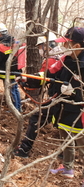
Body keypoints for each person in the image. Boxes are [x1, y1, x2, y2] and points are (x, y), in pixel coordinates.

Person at [13, 31, 64, 158]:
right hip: (63, 97)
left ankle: (24, 149)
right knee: (63, 125)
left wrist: (26, 80)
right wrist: (27, 81)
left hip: (58, 97)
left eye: (41, 47)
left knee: (36, 119)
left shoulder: (52, 59)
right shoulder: (62, 56)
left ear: (48, 45)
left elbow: (42, 79)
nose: (40, 50)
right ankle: (65, 154)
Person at [47, 27, 84, 179]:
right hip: (64, 108)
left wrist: (75, 92)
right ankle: (68, 168)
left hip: (80, 112)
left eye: (67, 44)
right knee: (66, 139)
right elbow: (54, 76)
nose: (64, 47)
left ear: (76, 46)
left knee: (81, 145)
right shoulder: (67, 60)